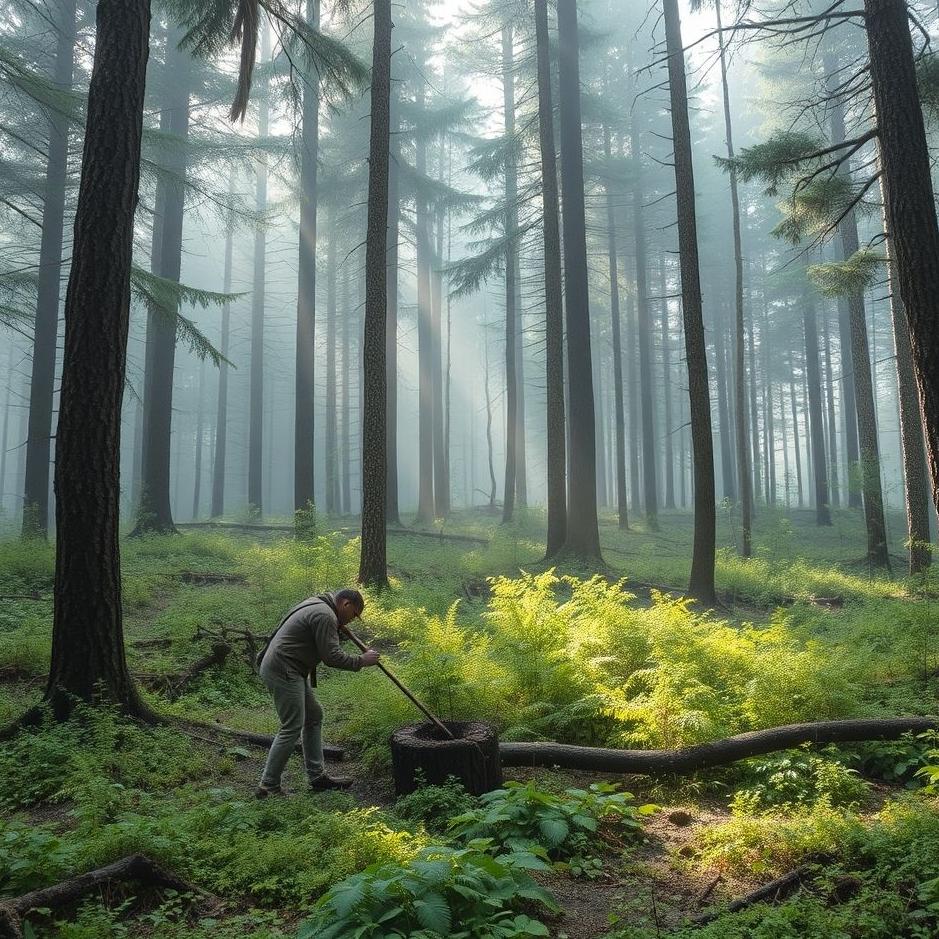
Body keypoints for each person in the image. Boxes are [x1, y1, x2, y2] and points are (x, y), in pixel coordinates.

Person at [256, 588, 380, 796]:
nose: (353, 620)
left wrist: (338, 628)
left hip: (290, 667)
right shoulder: (325, 615)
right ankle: (268, 786)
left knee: (314, 717)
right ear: (346, 604)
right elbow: (332, 657)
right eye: (355, 615)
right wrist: (362, 661)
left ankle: (317, 776)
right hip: (284, 668)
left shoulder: (319, 605)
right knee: (292, 726)